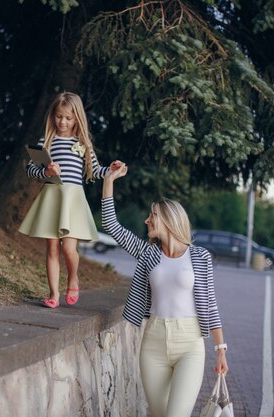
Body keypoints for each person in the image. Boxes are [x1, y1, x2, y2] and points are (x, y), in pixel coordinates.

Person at [101, 163, 228, 417]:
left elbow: (211, 305)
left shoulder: (200, 257)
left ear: (169, 220)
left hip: (190, 344)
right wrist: (108, 180)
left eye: (152, 216)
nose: (147, 220)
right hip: (154, 343)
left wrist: (220, 350)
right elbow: (110, 224)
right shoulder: (148, 253)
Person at [19, 92, 121, 308]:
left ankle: (73, 277)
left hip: (73, 200)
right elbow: (31, 170)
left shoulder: (83, 144)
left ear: (77, 119)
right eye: (58, 116)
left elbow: (94, 171)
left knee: (68, 249)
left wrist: (110, 169)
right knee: (53, 249)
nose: (62, 122)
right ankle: (54, 294)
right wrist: (46, 172)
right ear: (52, 116)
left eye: (68, 118)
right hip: (52, 197)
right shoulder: (45, 141)